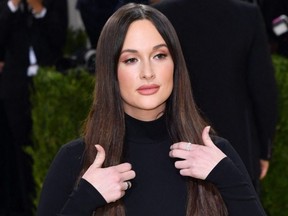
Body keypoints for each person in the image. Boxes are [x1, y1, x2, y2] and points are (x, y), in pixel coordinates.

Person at [37, 3, 267, 216]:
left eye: (159, 56)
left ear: (175, 65)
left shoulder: (215, 155)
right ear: (111, 72)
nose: (148, 72)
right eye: (131, 60)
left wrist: (227, 177)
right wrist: (84, 199)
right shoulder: (76, 160)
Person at [153, 0, 278, 194]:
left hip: (174, 148)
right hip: (237, 152)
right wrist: (263, 150)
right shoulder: (246, 14)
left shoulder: (158, 16)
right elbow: (263, 89)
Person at [0, 0, 67, 215]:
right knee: (19, 151)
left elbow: (59, 38)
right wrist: (12, 5)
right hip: (14, 85)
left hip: (50, 80)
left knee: (53, 144)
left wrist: (39, 9)